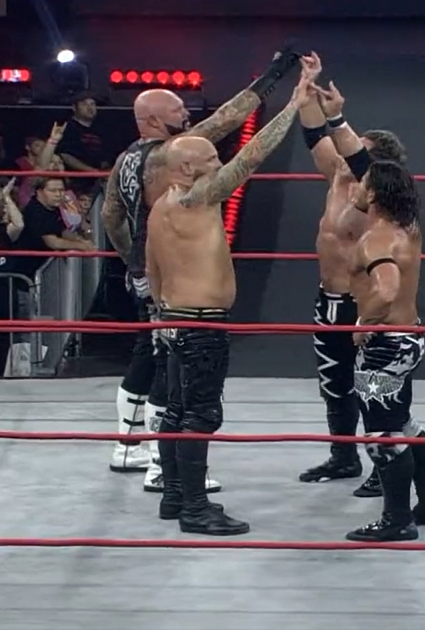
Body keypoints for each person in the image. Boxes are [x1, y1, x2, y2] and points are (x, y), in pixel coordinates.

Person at [101, 44, 303, 492]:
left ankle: (128, 446)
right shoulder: (172, 158)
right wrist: (276, 78)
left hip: (149, 267)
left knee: (148, 353)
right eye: (178, 110)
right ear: (153, 120)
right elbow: (232, 127)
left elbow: (111, 217)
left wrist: (134, 260)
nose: (188, 115)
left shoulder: (126, 159)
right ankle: (162, 465)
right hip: (178, 277)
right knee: (172, 371)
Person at [144, 57, 319, 535]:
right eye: (209, 160)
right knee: (201, 413)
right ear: (186, 167)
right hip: (200, 323)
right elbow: (251, 156)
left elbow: (152, 270)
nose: (217, 164)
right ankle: (196, 509)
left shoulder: (160, 208)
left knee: (177, 411)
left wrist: (163, 316)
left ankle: (176, 498)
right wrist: (295, 103)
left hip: (176, 319)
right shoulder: (195, 197)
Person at [333, 150, 425, 542]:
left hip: (384, 345)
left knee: (381, 433)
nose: (356, 187)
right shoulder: (408, 228)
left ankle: (396, 519)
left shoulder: (376, 239)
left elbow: (386, 291)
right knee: (401, 422)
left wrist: (363, 324)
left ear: (374, 195)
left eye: (362, 184)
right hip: (409, 338)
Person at [294, 74, 407, 499]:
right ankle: (343, 456)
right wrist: (306, 91)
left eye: (355, 148)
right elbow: (314, 136)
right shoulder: (337, 176)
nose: (343, 151)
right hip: (328, 300)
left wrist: (339, 118)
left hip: (363, 304)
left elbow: (358, 159)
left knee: (372, 389)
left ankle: (384, 467)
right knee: (334, 384)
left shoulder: (376, 195)